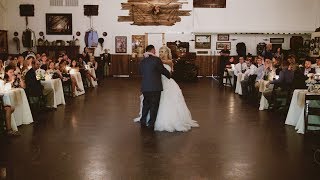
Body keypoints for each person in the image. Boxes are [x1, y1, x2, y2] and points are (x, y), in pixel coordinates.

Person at [134, 45, 199, 132]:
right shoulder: (155, 60)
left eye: (163, 51)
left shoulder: (168, 61)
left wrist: (149, 56)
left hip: (166, 83)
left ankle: (157, 121)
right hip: (156, 83)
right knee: (152, 103)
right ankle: (149, 121)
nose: (161, 53)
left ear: (167, 53)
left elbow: (165, 68)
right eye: (160, 51)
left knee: (159, 103)